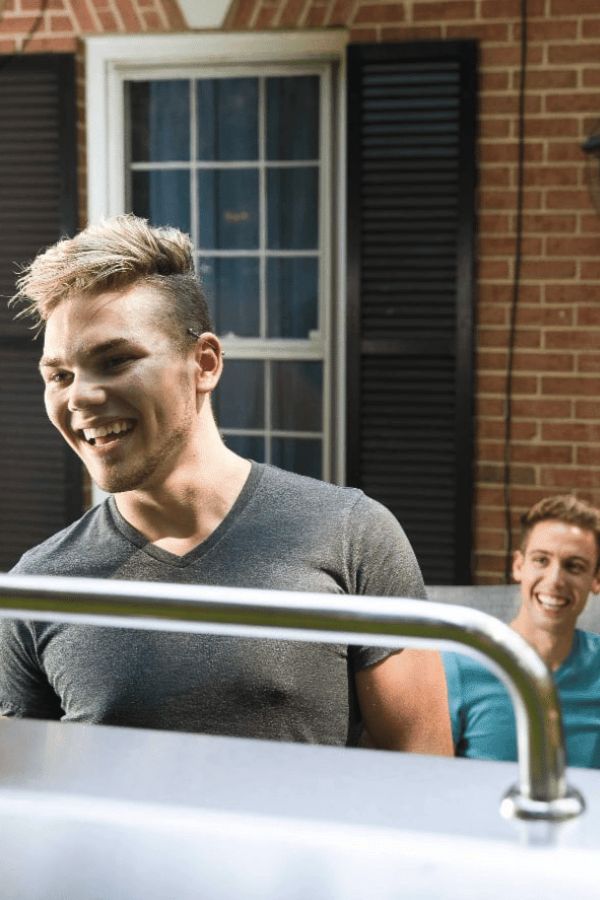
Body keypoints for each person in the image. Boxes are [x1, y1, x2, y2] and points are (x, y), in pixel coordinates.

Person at [0, 213, 426, 745]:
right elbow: (28, 802)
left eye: (114, 360)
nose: (79, 396)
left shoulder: (351, 534)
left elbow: (421, 770)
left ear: (203, 363)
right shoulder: (37, 588)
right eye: (59, 376)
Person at [363, 495, 600, 767]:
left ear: (595, 580)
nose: (555, 580)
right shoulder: (458, 666)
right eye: (541, 560)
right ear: (518, 566)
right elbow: (424, 780)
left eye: (574, 566)